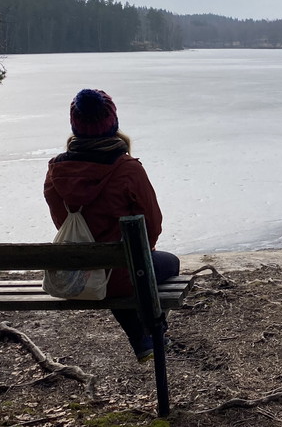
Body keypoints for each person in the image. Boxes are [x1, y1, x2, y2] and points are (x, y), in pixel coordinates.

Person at [44, 88, 180, 363]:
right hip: (119, 274)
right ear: (112, 123)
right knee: (164, 265)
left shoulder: (56, 171)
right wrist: (141, 255)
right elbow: (152, 224)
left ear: (76, 126)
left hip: (78, 272)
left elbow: (62, 221)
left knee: (120, 272)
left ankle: (142, 338)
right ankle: (153, 333)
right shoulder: (127, 169)